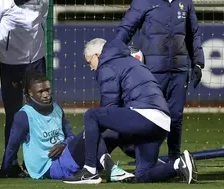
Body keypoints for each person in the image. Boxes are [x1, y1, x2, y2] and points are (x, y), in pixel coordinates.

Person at [63, 38, 198, 184]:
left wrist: (92, 130)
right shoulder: (129, 61)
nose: (91, 68)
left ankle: (89, 171)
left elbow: (109, 106)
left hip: (145, 115)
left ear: (97, 55)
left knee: (91, 115)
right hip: (162, 122)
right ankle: (179, 165)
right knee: (142, 174)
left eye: (89, 62)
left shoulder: (107, 64)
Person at [115, 0, 205, 162]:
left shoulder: (185, 1)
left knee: (176, 118)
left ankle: (174, 160)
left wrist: (198, 63)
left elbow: (194, 35)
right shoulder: (143, 0)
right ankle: (145, 158)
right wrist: (118, 54)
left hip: (179, 71)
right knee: (149, 117)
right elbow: (125, 29)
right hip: (151, 71)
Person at [0, 69, 134, 184]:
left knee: (115, 134)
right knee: (91, 131)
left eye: (47, 90)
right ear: (30, 93)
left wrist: (64, 144)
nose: (46, 95)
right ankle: (110, 169)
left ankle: (142, 164)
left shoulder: (57, 108)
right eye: (41, 92)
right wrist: (4, 170)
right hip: (49, 168)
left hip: (68, 157)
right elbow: (12, 146)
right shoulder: (24, 116)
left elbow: (70, 135)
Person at [0, 0, 49, 176]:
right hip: (11, 64)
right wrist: (7, 49)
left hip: (37, 59)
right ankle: (9, 164)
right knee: (14, 114)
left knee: (42, 111)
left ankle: (38, 162)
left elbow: (43, 17)